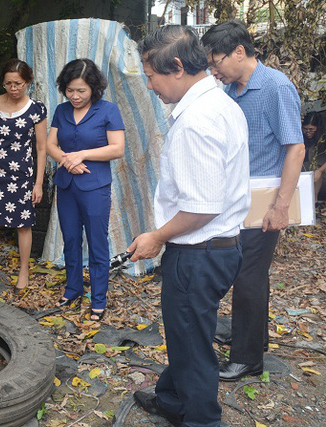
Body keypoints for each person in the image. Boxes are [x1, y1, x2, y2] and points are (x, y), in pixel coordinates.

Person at [130, 25, 250, 427]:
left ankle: (200, 419)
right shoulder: (219, 102)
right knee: (186, 335)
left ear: (177, 67)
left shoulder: (197, 120)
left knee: (193, 345)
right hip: (217, 249)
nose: (150, 86)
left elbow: (201, 208)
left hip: (198, 252)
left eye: (151, 75)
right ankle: (172, 399)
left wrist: (156, 237)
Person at [201, 20, 305, 382]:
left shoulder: (275, 86)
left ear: (240, 52)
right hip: (236, 199)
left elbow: (295, 147)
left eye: (216, 61)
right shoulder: (229, 90)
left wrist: (281, 205)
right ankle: (253, 337)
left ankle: (247, 359)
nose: (213, 69)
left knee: (247, 275)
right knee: (246, 273)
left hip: (265, 200)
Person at [45, 58, 125, 321]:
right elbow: (50, 145)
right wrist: (66, 160)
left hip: (95, 187)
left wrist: (81, 155)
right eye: (70, 90)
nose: (75, 96)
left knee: (97, 243)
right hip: (67, 185)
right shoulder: (61, 111)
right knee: (70, 239)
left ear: (94, 88)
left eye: (81, 90)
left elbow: (117, 148)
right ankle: (73, 288)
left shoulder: (108, 110)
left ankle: (99, 298)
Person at [0, 59, 47, 294]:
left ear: (28, 82)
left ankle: (24, 270)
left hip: (22, 177)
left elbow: (42, 148)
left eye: (18, 84)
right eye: (8, 84)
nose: (13, 89)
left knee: (23, 226)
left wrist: (39, 183)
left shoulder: (37, 109)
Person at [302, 112, 326, 200]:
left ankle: (315, 199)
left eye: (311, 129)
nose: (308, 132)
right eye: (305, 129)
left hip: (321, 175)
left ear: (317, 128)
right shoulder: (301, 137)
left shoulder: (323, 138)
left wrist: (320, 170)